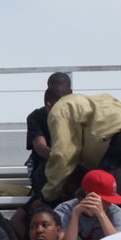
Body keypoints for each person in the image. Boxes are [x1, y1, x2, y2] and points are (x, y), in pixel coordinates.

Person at [42, 92, 121, 207]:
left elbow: (63, 154)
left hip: (119, 152)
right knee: (119, 211)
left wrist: (49, 196)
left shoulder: (59, 110)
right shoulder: (98, 101)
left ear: (49, 105)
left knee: (100, 208)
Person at [24, 73, 73, 204]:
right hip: (45, 164)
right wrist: (61, 157)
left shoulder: (78, 114)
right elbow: (40, 147)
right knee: (48, 168)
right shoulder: (37, 116)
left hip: (72, 163)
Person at [54, 169, 121, 240]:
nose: (110, 203)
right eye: (106, 199)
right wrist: (75, 215)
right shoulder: (64, 210)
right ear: (89, 195)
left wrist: (101, 214)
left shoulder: (115, 212)